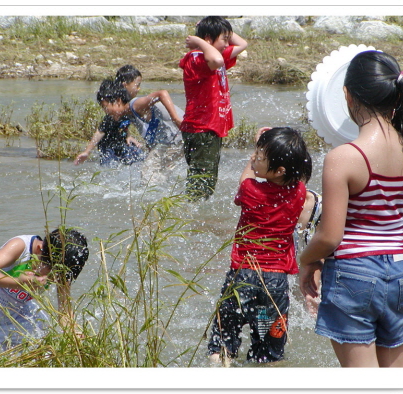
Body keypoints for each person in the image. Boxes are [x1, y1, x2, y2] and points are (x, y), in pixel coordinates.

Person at [299, 50, 403, 368]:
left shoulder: (344, 157)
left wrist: (306, 261)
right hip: (400, 273)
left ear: (347, 96)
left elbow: (330, 236)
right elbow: (396, 213)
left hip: (354, 275)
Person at [208, 127, 312, 365]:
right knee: (268, 351)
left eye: (260, 156)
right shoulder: (299, 193)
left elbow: (244, 180)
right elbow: (296, 178)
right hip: (273, 288)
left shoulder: (250, 190)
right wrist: (266, 152)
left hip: (241, 278)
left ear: (279, 170)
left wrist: (250, 160)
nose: (255, 158)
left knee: (223, 342)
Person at [0, 228, 89, 360]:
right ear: (39, 249)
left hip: (17, 315)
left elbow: (64, 310)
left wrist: (73, 332)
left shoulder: (63, 267)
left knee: (41, 355)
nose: (52, 278)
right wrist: (18, 282)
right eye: (50, 270)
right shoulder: (20, 246)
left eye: (58, 274)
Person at [179, 16, 248, 200]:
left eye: (228, 38)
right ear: (209, 39)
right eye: (224, 39)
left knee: (206, 180)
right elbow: (216, 60)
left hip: (209, 128)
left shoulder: (211, 55)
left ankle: (194, 214)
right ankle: (191, 219)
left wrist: (220, 30)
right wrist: (200, 41)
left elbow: (243, 44)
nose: (227, 43)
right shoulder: (196, 58)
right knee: (201, 184)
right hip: (201, 128)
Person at [95, 77, 184, 185]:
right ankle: (165, 197)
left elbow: (161, 93)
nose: (106, 112)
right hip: (178, 139)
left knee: (147, 173)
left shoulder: (135, 104)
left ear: (118, 101)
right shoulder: (130, 114)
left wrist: (175, 118)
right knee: (159, 175)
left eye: (105, 107)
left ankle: (153, 197)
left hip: (178, 137)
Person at [74, 65, 145, 167]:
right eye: (137, 85)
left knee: (140, 157)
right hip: (108, 148)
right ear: (125, 86)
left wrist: (128, 136)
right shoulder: (115, 111)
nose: (139, 89)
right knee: (109, 169)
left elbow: (122, 124)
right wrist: (87, 151)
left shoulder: (128, 106)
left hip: (121, 144)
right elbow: (100, 131)